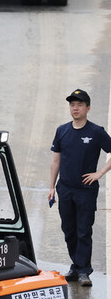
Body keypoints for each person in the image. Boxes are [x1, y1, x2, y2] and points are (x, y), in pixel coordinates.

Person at [48, 89, 111, 287]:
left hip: (86, 190)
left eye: (80, 105)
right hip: (64, 188)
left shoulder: (96, 131)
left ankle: (84, 270)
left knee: (84, 230)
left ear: (88, 108)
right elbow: (55, 161)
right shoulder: (62, 130)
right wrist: (51, 187)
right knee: (69, 229)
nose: (75, 108)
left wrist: (99, 173)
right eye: (72, 105)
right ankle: (76, 265)